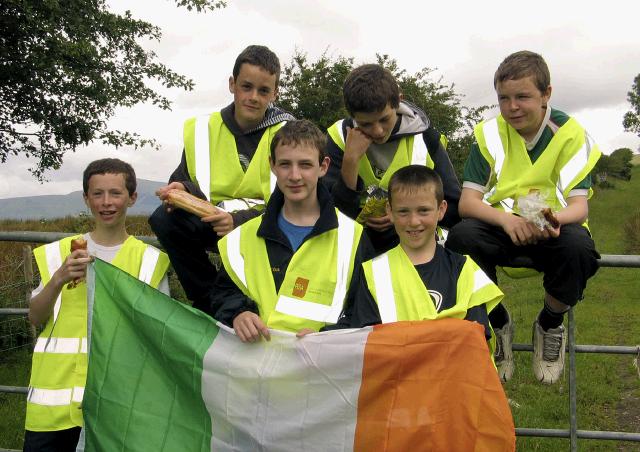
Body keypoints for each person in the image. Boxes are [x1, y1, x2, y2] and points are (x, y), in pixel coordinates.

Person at [446, 51, 601, 384]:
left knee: (579, 249)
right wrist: (508, 222)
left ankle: (549, 325)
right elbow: (469, 203)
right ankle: (496, 322)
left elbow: (579, 206)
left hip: (554, 227)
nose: (512, 106)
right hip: (505, 226)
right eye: (504, 98)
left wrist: (552, 220)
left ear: (546, 94)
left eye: (523, 97)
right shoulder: (488, 134)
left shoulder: (570, 133)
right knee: (460, 238)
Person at [24, 158, 170, 452]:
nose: (106, 202)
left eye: (115, 193)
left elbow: (160, 334)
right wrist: (58, 280)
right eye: (98, 194)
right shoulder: (58, 254)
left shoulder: (151, 261)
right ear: (86, 198)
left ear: (132, 198)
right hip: (54, 410)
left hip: (119, 404)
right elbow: (35, 317)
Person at [149, 45, 295, 311]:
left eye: (263, 91)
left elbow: (297, 197)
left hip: (267, 227)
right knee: (163, 218)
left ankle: (266, 304)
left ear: (275, 93)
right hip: (213, 223)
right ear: (232, 84)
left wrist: (237, 221)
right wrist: (180, 189)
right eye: (246, 87)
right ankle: (208, 301)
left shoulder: (290, 131)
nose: (253, 97)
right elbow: (187, 178)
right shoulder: (202, 129)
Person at [210, 120, 372, 341]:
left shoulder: (353, 237)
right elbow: (223, 294)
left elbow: (364, 312)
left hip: (322, 369)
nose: (295, 176)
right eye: (285, 164)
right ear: (272, 165)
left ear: (323, 166)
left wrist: (328, 338)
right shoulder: (241, 237)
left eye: (305, 165)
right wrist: (238, 313)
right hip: (253, 370)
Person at [327, 165, 503, 353]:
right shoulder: (374, 273)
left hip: (454, 379)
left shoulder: (465, 270)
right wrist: (317, 339)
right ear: (390, 211)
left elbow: (476, 341)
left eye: (423, 211)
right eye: (403, 212)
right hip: (398, 380)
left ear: (441, 209)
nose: (413, 221)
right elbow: (364, 338)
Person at [323, 64, 461, 253]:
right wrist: (350, 161)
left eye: (384, 119)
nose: (377, 131)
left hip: (410, 240)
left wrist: (403, 215)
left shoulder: (425, 137)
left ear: (399, 101)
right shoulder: (338, 137)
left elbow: (453, 206)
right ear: (351, 115)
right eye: (366, 124)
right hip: (354, 241)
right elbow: (328, 209)